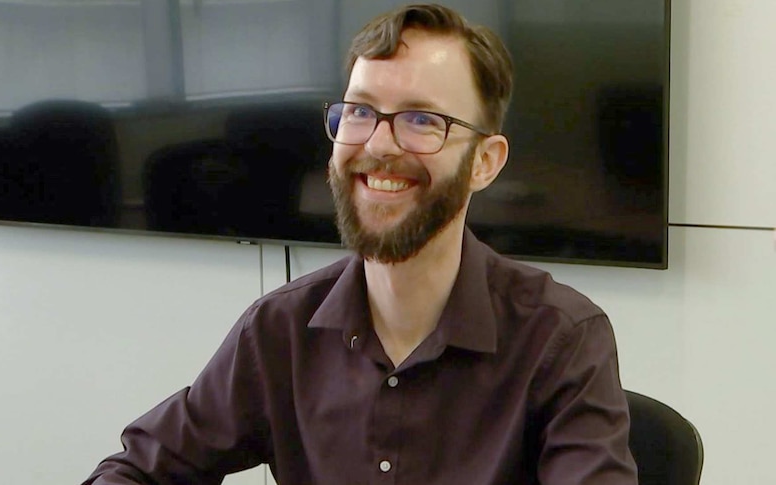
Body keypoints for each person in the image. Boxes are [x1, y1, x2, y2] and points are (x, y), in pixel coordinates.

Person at [82, 4, 637, 484]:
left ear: (485, 162)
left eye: (422, 119)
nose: (378, 145)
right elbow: (137, 470)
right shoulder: (281, 331)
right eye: (360, 112)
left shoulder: (561, 341)